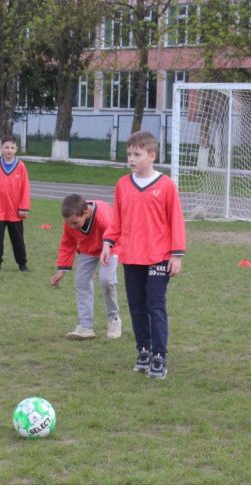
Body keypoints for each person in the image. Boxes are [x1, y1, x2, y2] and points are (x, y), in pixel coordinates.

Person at [100, 131, 186, 380]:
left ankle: (160, 356)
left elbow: (176, 221)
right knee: (137, 307)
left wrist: (176, 255)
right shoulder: (123, 185)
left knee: (155, 305)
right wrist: (108, 242)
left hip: (159, 256)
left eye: (137, 154)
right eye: (129, 154)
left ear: (152, 156)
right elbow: (117, 219)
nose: (131, 159)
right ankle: (144, 350)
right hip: (131, 256)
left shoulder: (167, 185)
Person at [50, 194, 122, 340]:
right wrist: (61, 269)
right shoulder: (71, 221)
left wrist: (107, 248)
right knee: (81, 282)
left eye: (75, 223)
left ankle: (114, 319)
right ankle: (85, 326)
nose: (72, 227)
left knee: (106, 280)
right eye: (69, 223)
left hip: (111, 246)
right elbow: (67, 243)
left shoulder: (103, 216)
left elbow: (115, 232)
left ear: (86, 213)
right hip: (87, 249)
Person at [0, 134, 30, 273]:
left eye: (12, 147)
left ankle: (22, 264)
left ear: (16, 149)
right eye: (6, 147)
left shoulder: (21, 166)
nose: (9, 150)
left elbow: (25, 188)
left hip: (15, 211)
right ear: (1, 148)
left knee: (17, 239)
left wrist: (24, 208)